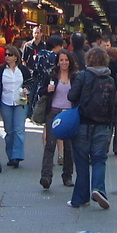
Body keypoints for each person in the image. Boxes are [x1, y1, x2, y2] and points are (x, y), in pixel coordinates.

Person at [67, 46, 117, 209]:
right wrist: (110, 127)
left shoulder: (82, 76)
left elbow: (71, 96)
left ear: (89, 59)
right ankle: (99, 189)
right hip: (102, 125)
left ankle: (80, 198)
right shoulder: (110, 79)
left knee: (82, 161)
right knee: (99, 159)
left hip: (82, 124)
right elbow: (112, 105)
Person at [38, 50, 77, 189]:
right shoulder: (51, 74)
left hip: (69, 115)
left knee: (69, 146)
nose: (64, 63)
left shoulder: (75, 77)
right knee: (50, 144)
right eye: (61, 60)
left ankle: (67, 176)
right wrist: (47, 90)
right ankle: (46, 176)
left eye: (66, 60)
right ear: (57, 62)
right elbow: (40, 91)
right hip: (53, 113)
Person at [0, 45, 32, 167]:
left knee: (19, 129)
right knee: (9, 130)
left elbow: (30, 82)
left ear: (16, 57)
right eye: (6, 55)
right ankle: (10, 154)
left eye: (9, 55)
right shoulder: (1, 70)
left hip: (20, 102)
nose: (7, 57)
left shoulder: (23, 70)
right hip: (6, 101)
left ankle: (17, 156)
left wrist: (27, 89)